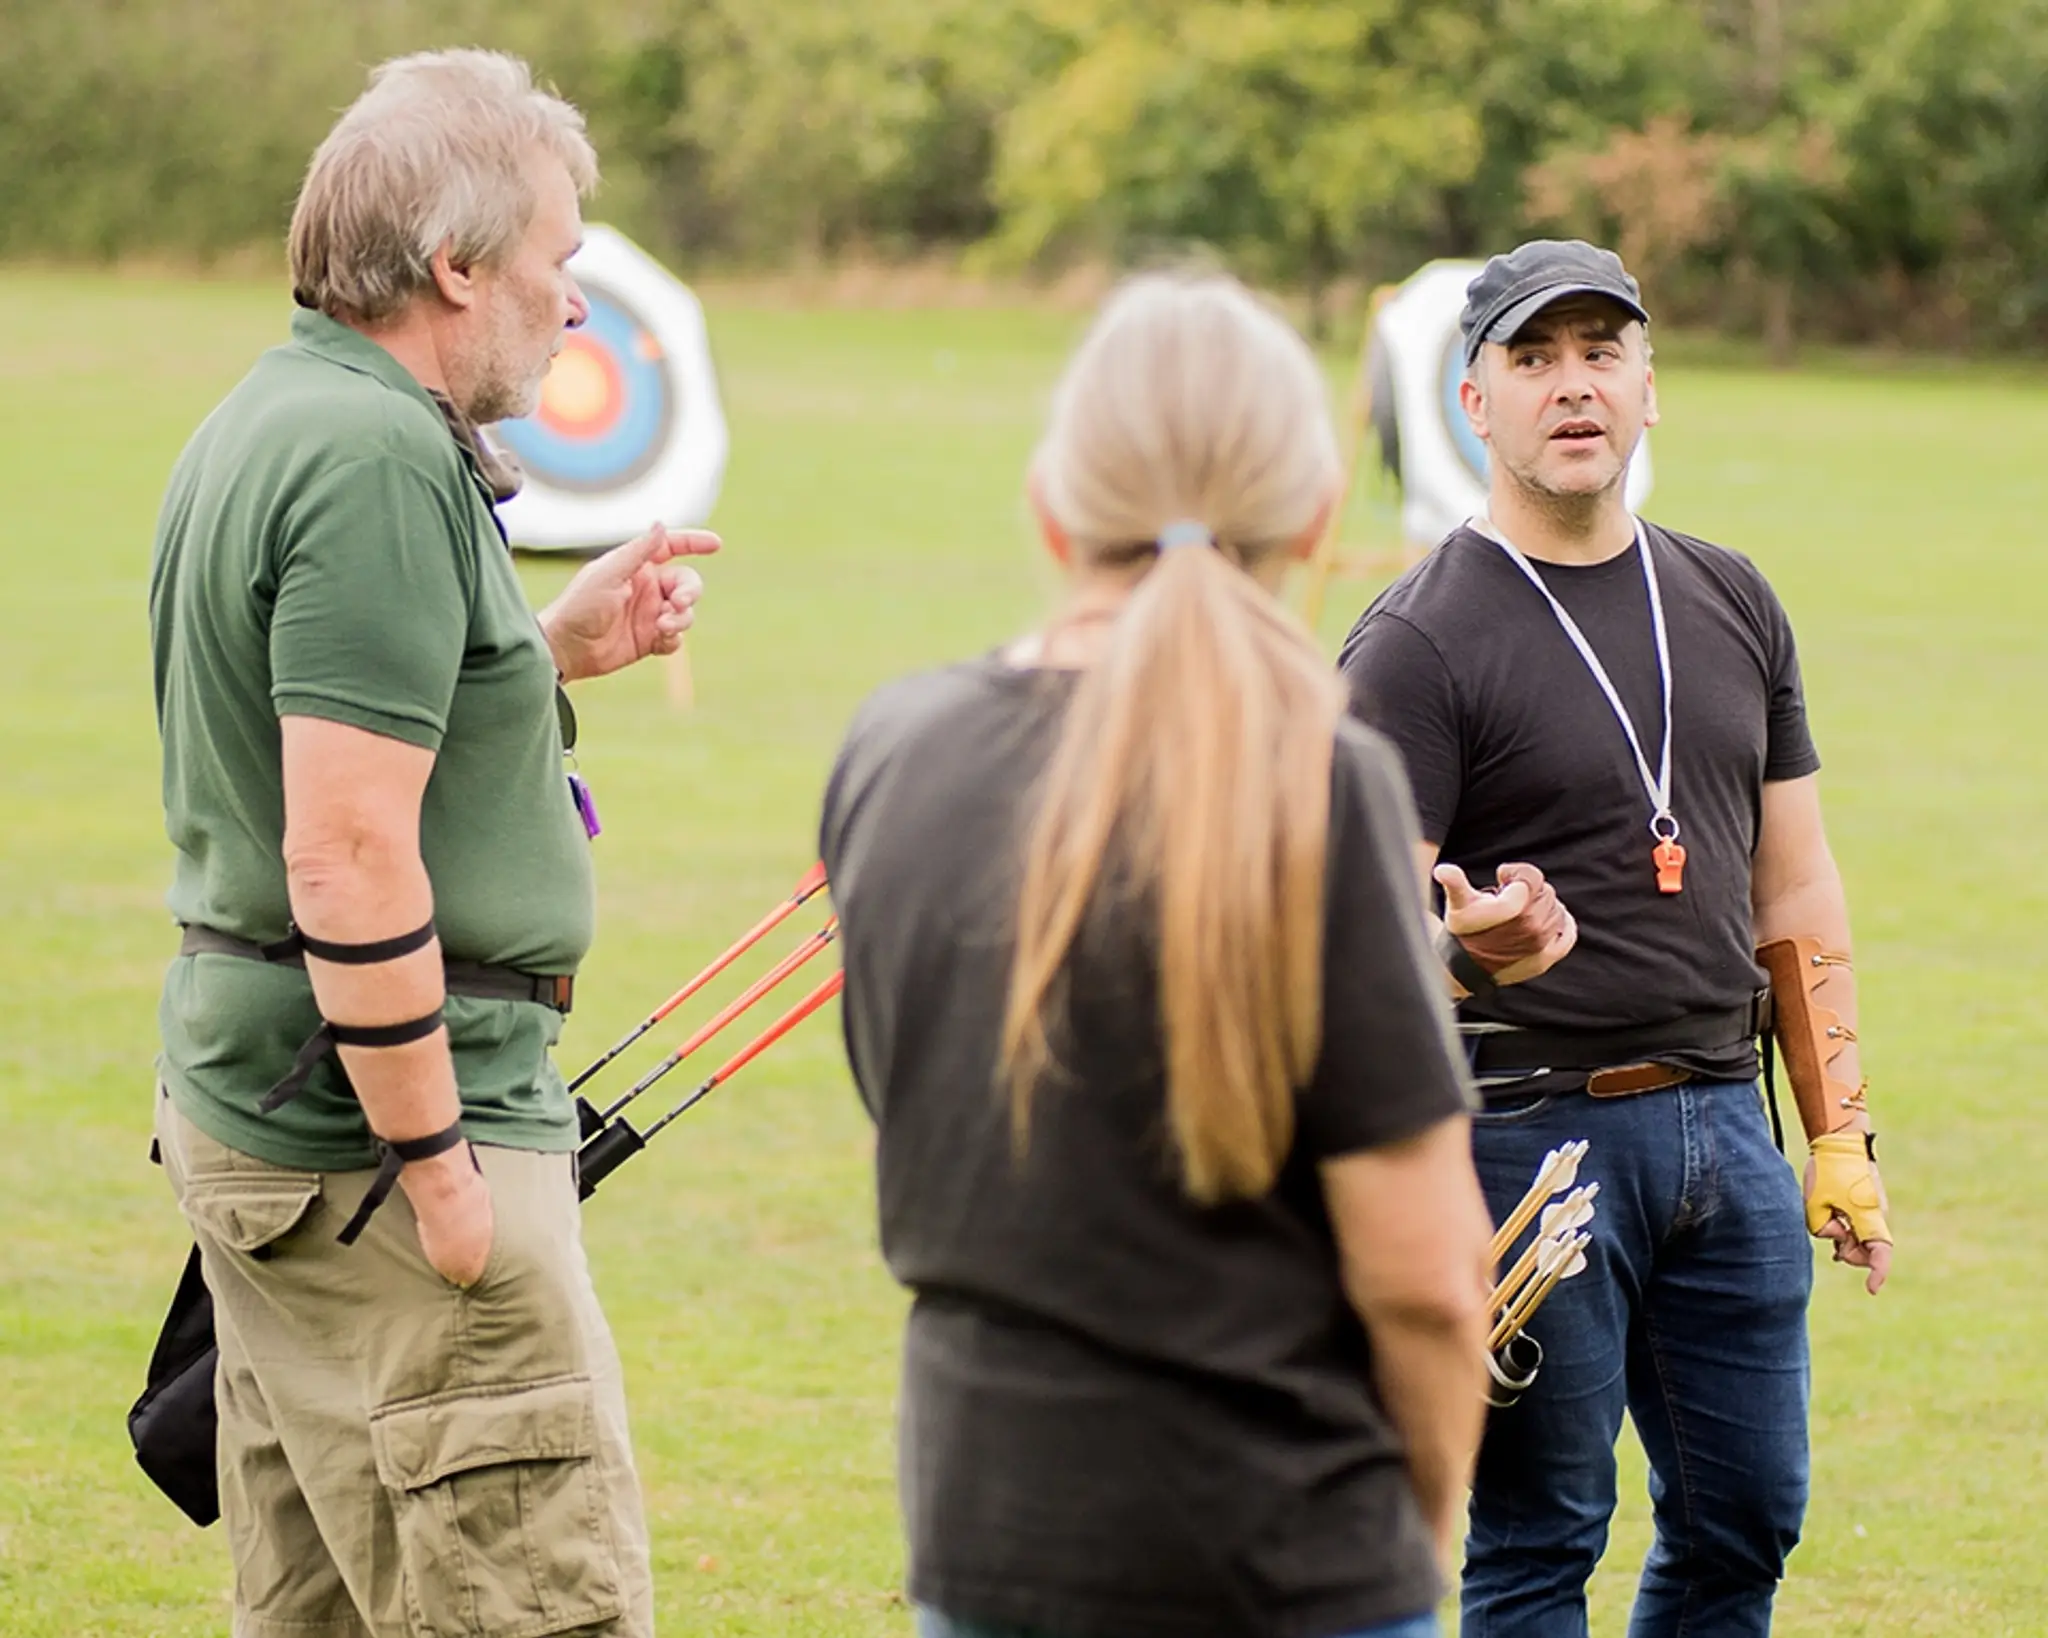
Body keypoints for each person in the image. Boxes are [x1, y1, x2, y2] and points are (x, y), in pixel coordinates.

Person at [820, 271, 1570, 1638]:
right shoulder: (1322, 782)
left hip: (991, 1546)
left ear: (1053, 508)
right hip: (1298, 1564)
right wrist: (1418, 1530)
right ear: (1312, 520)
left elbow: (918, 1106)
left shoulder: (893, 746)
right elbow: (1423, 1273)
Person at [147, 50, 713, 1637]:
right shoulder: (376, 456)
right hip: (388, 1148)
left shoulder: (282, 413)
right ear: (456, 267)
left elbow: (332, 742)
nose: (578, 306)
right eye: (559, 261)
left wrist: (541, 653)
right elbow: (338, 851)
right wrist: (444, 1175)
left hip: (283, 1127)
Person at [1338, 239, 1894, 1638]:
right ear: (1474, 399)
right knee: (1540, 1536)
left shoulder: (1734, 599)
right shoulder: (1415, 640)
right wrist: (1473, 944)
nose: (1571, 386)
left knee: (1747, 1521)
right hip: (1528, 1138)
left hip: (1731, 1127)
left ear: (1652, 385)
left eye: (1601, 351)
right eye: (1533, 358)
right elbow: (1350, 940)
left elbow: (1798, 887)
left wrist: (1839, 1135)